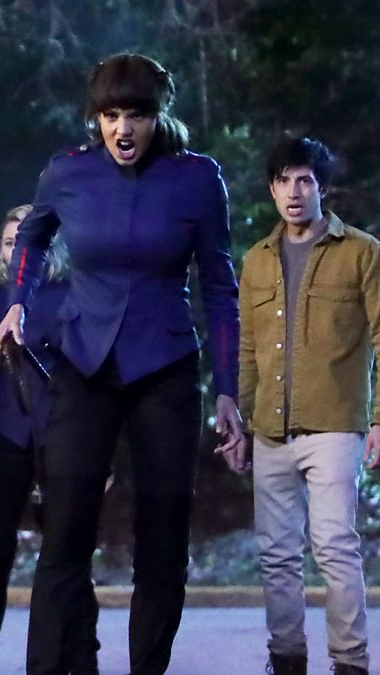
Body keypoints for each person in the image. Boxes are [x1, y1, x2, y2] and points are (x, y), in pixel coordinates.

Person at [0, 53, 244, 675]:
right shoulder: (67, 172)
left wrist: (227, 389)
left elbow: (219, 287)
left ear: (158, 116)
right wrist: (18, 304)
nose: (123, 128)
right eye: (110, 115)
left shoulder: (197, 179)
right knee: (64, 533)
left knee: (163, 540)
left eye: (136, 115)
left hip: (165, 369)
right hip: (84, 364)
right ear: (95, 117)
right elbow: (32, 239)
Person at [231, 137, 378, 675]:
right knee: (276, 556)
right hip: (270, 429)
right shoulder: (256, 260)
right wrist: (242, 421)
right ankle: (286, 659)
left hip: (335, 424)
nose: (294, 192)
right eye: (284, 181)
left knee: (335, 546)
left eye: (305, 180)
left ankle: (350, 662)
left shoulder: (361, 251)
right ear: (272, 189)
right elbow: (248, 348)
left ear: (322, 188)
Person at [0, 206, 98, 675]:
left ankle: (84, 658)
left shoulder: (72, 299)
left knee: (68, 557)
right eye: (8, 243)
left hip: (61, 437)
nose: (16, 251)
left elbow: (90, 380)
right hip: (3, 438)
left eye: (25, 242)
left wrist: (99, 453)